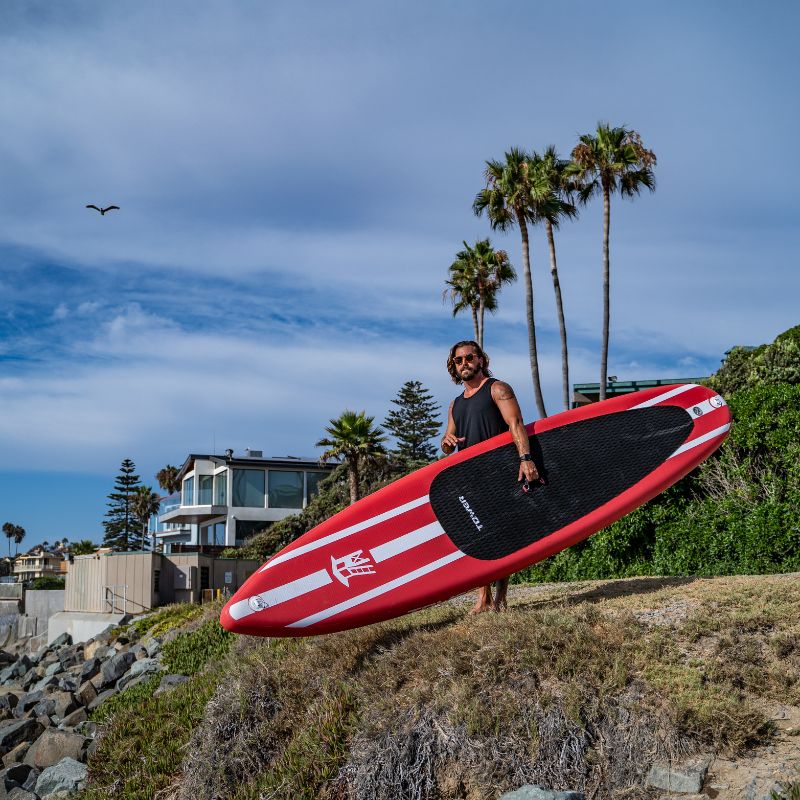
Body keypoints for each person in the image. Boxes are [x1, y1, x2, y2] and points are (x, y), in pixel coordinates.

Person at [440, 340, 539, 613]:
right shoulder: (455, 404)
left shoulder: (497, 389)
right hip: (470, 476)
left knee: (502, 534)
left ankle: (501, 597)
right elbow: (448, 444)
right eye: (458, 361)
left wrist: (526, 458)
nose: (464, 364)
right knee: (478, 535)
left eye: (469, 358)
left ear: (481, 360)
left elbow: (516, 424)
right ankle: (483, 598)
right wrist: (446, 442)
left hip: (500, 470)